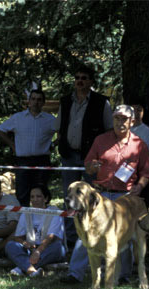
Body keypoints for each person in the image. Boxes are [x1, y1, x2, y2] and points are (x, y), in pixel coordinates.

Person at [60, 105, 149, 285]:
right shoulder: (100, 140)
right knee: (86, 233)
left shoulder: (140, 145)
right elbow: (87, 164)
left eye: (124, 119)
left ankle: (122, 277)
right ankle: (75, 274)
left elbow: (146, 173)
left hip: (125, 197)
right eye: (117, 118)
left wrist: (139, 187)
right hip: (99, 197)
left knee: (123, 238)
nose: (120, 122)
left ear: (132, 122)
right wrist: (91, 167)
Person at [55, 65, 113, 246]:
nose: (80, 81)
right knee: (69, 197)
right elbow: (59, 128)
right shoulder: (65, 101)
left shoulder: (101, 102)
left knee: (91, 198)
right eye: (77, 77)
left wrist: (101, 156)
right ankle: (72, 240)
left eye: (84, 78)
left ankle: (93, 236)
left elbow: (109, 130)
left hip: (92, 157)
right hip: (69, 155)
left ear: (90, 81)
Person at [0, 89, 57, 206]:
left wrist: (54, 144)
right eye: (33, 99)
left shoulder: (50, 119)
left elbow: (62, 132)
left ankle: (41, 221)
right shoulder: (18, 118)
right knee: (22, 194)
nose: (36, 102)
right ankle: (24, 221)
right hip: (22, 161)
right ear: (29, 101)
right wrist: (12, 146)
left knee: (41, 193)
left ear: (43, 103)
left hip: (42, 161)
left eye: (39, 100)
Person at [5, 184, 67, 277]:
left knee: (58, 248)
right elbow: (17, 237)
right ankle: (31, 271)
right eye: (32, 197)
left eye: (38, 196)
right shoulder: (26, 212)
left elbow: (51, 237)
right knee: (10, 245)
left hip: (47, 248)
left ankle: (23, 268)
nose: (34, 199)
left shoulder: (55, 212)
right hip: (31, 249)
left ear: (45, 199)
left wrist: (38, 251)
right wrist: (25, 243)